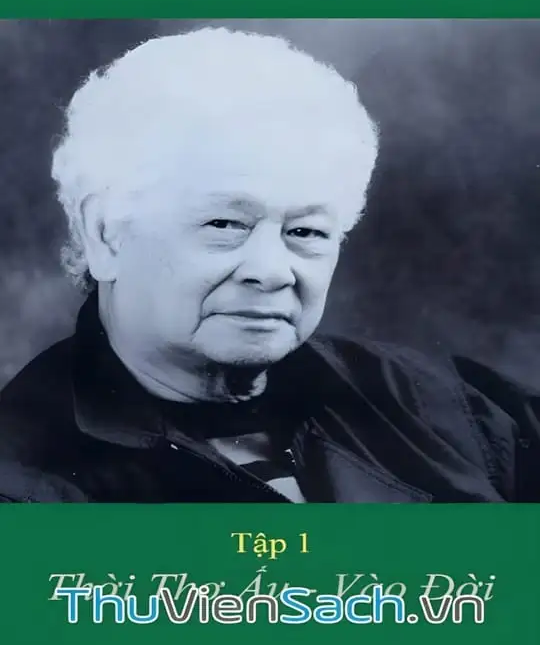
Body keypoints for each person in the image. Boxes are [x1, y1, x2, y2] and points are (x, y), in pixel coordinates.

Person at [0, 27, 537, 503]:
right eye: (224, 224)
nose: (273, 271)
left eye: (306, 232)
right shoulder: (23, 485)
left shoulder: (445, 408)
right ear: (105, 233)